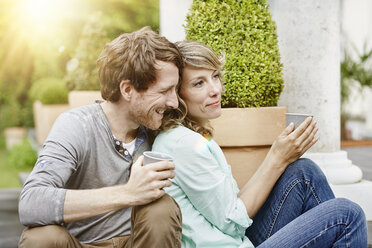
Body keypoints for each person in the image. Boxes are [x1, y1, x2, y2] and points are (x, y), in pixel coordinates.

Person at [152, 40, 368, 248]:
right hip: (232, 241)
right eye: (199, 83)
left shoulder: (190, 137)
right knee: (347, 215)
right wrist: (277, 158)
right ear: (177, 95)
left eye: (215, 76)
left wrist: (281, 159)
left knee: (303, 172)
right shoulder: (183, 144)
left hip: (236, 240)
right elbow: (232, 222)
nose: (215, 89)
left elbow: (229, 211)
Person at [18, 27, 184, 248]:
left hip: (138, 242)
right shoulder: (77, 125)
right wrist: (128, 193)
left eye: (176, 90)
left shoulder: (161, 124)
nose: (173, 102)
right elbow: (31, 202)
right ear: (127, 89)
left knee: (161, 208)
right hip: (81, 244)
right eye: (164, 91)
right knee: (40, 238)